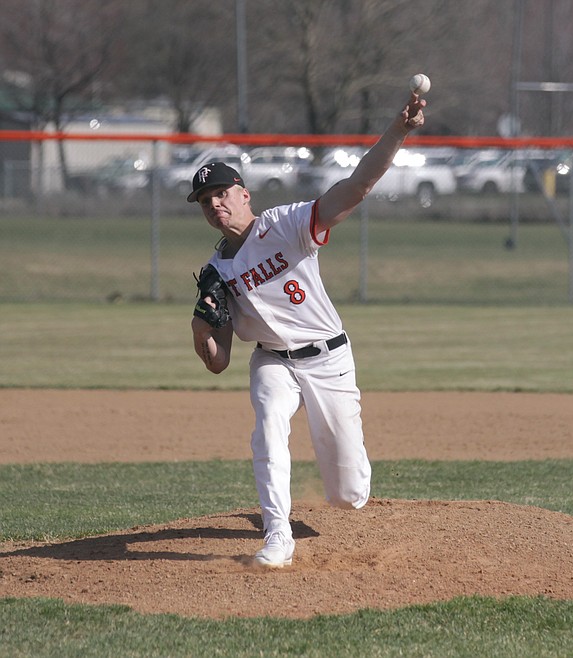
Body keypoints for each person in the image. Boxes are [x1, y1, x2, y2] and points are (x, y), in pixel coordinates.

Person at [188, 92, 426, 568]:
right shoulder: (215, 272)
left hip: (328, 358)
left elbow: (356, 187)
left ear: (243, 193)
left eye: (221, 194)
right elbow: (218, 362)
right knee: (268, 428)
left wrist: (397, 132)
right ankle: (278, 535)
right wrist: (201, 327)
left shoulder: (288, 225)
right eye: (205, 200)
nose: (215, 205)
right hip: (272, 359)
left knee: (349, 495)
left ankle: (338, 490)